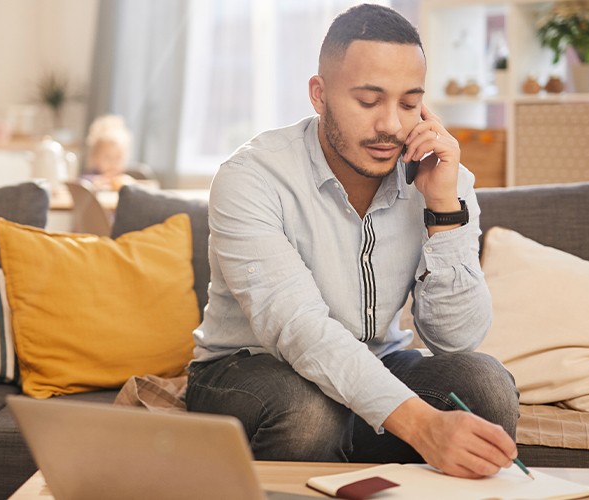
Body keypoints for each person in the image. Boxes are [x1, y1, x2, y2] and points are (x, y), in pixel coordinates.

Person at [185, 3, 520, 479]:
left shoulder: (444, 179)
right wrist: (424, 426)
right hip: (249, 372)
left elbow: (458, 339)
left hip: (374, 363)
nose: (391, 125)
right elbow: (299, 329)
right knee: (307, 414)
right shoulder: (252, 177)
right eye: (368, 101)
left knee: (485, 386)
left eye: (408, 104)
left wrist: (443, 211)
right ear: (319, 95)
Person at [84, 114, 136, 191]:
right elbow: (80, 186)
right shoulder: (90, 178)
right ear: (95, 157)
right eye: (107, 157)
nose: (113, 163)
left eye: (118, 157)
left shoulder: (125, 180)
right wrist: (96, 183)